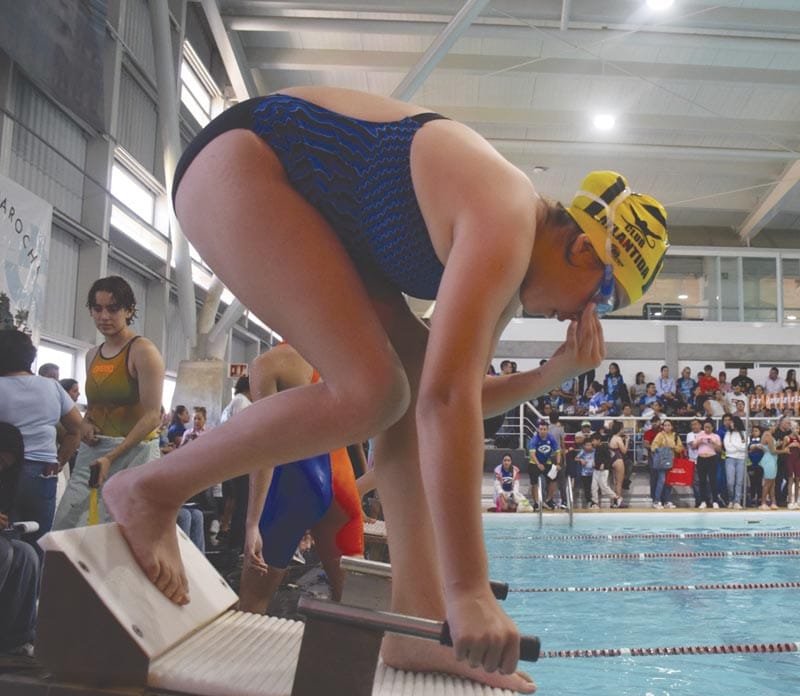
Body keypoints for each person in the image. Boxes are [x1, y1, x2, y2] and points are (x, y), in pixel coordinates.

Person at [102, 88, 667, 689]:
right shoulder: (504, 217)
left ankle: (412, 624)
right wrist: (469, 591)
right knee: (371, 392)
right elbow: (445, 404)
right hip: (246, 159)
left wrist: (554, 376)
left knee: (395, 394)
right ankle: (150, 489)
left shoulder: (508, 249)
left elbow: (447, 399)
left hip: (313, 205)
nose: (582, 318)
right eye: (602, 297)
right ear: (584, 249)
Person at [238, 344, 364, 614]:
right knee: (355, 606)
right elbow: (357, 435)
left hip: (297, 481)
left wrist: (252, 523)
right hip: (342, 483)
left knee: (252, 602)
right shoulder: (344, 359)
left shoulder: (269, 363)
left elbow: (266, 446)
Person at [53, 276, 164, 529]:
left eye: (113, 308)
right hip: (94, 453)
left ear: (129, 310)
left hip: (135, 454)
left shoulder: (143, 351)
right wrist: (84, 424)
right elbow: (92, 410)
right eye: (97, 308)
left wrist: (112, 457)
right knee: (67, 527)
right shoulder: (93, 355)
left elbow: (153, 416)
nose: (104, 316)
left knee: (123, 534)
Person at [0, 331, 82, 551]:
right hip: (43, 473)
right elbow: (77, 429)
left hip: (5, 473)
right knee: (38, 543)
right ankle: (34, 585)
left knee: (4, 544)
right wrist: (61, 460)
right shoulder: (52, 387)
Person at [0, 422, 40, 657]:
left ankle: (17, 640)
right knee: (3, 552)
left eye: (5, 465)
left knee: (27, 554)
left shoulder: (7, 480)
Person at [650, 419, 682, 508]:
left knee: (669, 482)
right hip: (662, 461)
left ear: (672, 427)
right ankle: (656, 501)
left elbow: (680, 448)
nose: (667, 427)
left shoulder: (675, 436)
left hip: (672, 461)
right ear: (663, 427)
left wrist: (673, 447)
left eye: (669, 425)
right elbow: (653, 446)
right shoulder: (660, 435)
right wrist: (663, 449)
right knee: (662, 480)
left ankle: (667, 501)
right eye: (665, 425)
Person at [691, 418, 722, 509]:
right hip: (701, 458)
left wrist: (712, 443)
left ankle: (715, 501)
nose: (707, 429)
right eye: (705, 427)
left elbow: (719, 449)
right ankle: (703, 501)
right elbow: (693, 447)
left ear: (712, 427)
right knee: (702, 481)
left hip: (712, 458)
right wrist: (699, 442)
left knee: (713, 480)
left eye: (709, 427)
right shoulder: (699, 435)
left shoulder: (716, 436)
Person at [723, 416, 747, 510]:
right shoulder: (728, 433)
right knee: (730, 481)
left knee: (739, 481)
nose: (731, 424)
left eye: (732, 422)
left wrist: (735, 446)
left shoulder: (744, 433)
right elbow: (727, 447)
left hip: (741, 459)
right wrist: (739, 446)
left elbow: (744, 447)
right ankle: (730, 499)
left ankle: (737, 501)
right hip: (730, 458)